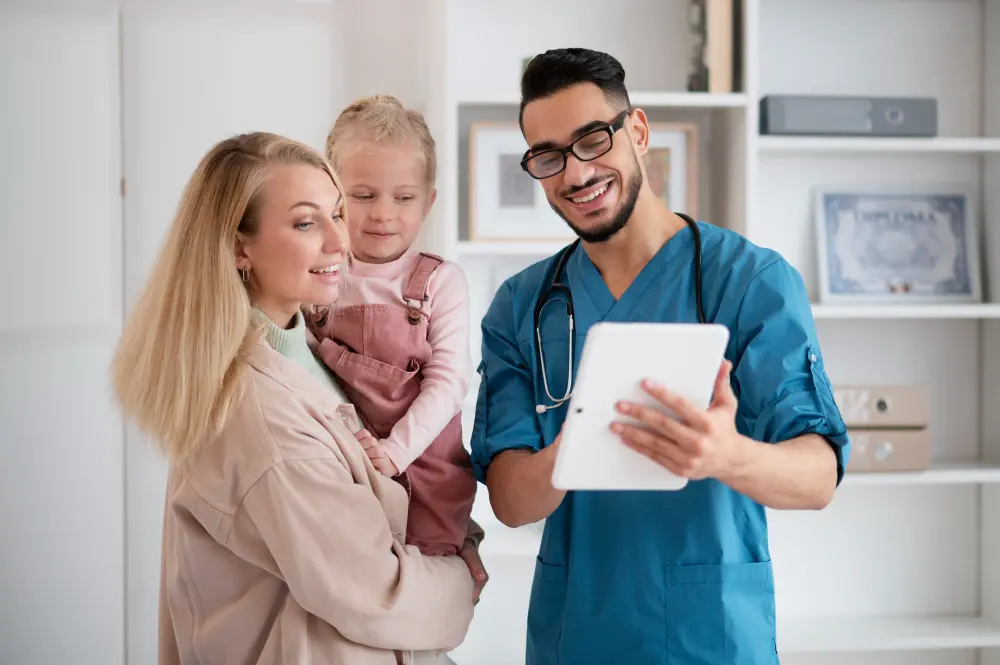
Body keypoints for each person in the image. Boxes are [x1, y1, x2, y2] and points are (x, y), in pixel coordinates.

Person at [469, 47, 851, 665]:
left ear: (638, 132)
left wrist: (726, 455)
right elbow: (511, 504)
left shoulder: (749, 282)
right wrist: (573, 453)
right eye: (548, 157)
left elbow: (818, 477)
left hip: (713, 633)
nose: (574, 174)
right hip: (577, 632)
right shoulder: (522, 306)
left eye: (592, 140)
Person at [111, 131, 486, 665]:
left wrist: (454, 534)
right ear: (241, 247)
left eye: (337, 213)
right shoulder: (263, 419)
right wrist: (459, 578)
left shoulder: (315, 352)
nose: (341, 241)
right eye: (307, 222)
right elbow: (377, 592)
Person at [307, 94, 477, 558]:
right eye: (363, 196)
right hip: (344, 466)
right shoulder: (321, 272)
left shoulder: (440, 282)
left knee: (421, 585)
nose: (384, 213)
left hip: (424, 468)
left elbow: (448, 381)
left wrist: (395, 452)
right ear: (334, 197)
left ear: (428, 202)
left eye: (404, 198)